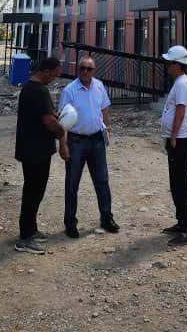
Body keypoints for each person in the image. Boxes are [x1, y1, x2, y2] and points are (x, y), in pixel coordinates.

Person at [58, 54, 119, 237]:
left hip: (97, 140)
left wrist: (107, 126)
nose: (85, 71)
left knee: (102, 181)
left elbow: (104, 108)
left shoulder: (99, 86)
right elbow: (61, 119)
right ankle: (70, 223)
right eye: (82, 68)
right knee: (72, 183)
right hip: (76, 141)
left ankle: (106, 218)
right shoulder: (70, 90)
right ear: (78, 70)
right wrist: (63, 145)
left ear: (94, 70)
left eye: (89, 69)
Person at [14, 55, 65, 254]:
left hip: (30, 148)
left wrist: (53, 116)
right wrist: (60, 131)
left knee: (34, 190)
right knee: (34, 191)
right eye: (54, 74)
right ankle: (25, 237)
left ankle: (31, 228)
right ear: (46, 71)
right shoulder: (39, 90)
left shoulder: (29, 88)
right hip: (36, 150)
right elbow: (48, 121)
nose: (54, 78)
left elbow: (44, 115)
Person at [160, 45, 187, 246]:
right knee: (175, 184)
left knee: (180, 185)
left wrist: (173, 136)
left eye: (170, 62)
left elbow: (180, 111)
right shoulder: (180, 82)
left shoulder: (182, 84)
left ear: (178, 64)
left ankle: (186, 231)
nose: (167, 65)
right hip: (176, 140)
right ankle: (181, 223)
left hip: (179, 140)